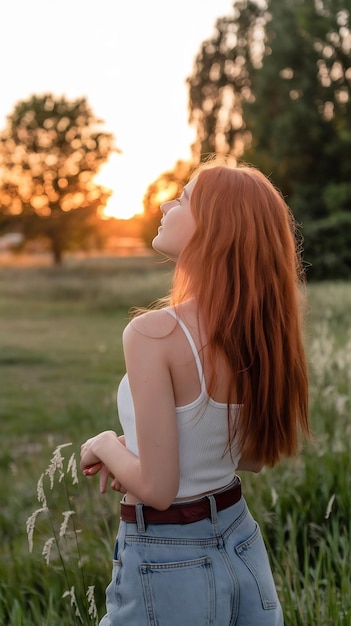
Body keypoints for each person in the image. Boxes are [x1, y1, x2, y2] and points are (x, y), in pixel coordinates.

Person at [80, 156, 310, 626]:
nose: (166, 203)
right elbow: (247, 456)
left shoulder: (153, 334)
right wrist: (137, 450)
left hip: (169, 557)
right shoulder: (258, 332)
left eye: (183, 197)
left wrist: (104, 443)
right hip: (241, 543)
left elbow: (158, 490)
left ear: (215, 227)